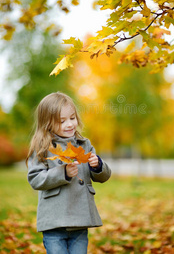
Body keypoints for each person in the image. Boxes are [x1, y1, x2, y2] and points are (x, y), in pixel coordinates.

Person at [26, 92, 111, 254]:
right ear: (48, 123)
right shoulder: (43, 147)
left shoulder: (84, 145)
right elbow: (35, 179)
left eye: (72, 118)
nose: (69, 124)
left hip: (79, 219)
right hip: (54, 220)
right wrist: (62, 173)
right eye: (61, 121)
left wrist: (97, 165)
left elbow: (104, 176)